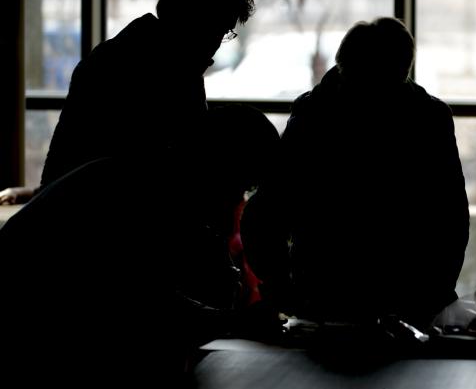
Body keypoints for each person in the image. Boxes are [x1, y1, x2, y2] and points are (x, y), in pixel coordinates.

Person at [0, 104, 281, 388]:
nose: (236, 201)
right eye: (239, 185)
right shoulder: (135, 200)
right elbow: (148, 316)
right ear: (214, 166)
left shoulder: (135, 181)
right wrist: (234, 321)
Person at [242, 17, 469, 328]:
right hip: (404, 293)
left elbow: (266, 213)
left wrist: (284, 286)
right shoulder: (427, 118)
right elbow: (450, 218)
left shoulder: (313, 116)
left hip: (323, 289)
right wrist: (434, 292)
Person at [39, 0, 255, 190]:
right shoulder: (171, 75)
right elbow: (168, 174)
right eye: (218, 31)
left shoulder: (122, 56)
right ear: (196, 21)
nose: (216, 44)